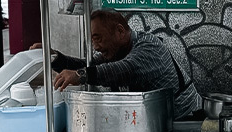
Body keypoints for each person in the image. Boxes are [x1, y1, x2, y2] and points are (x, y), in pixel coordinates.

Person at [33, 9, 200, 120]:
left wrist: (80, 76)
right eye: (93, 40)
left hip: (185, 121)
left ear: (120, 31)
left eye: (98, 38)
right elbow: (88, 65)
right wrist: (54, 57)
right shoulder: (117, 51)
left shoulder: (149, 47)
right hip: (156, 121)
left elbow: (123, 70)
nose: (96, 46)